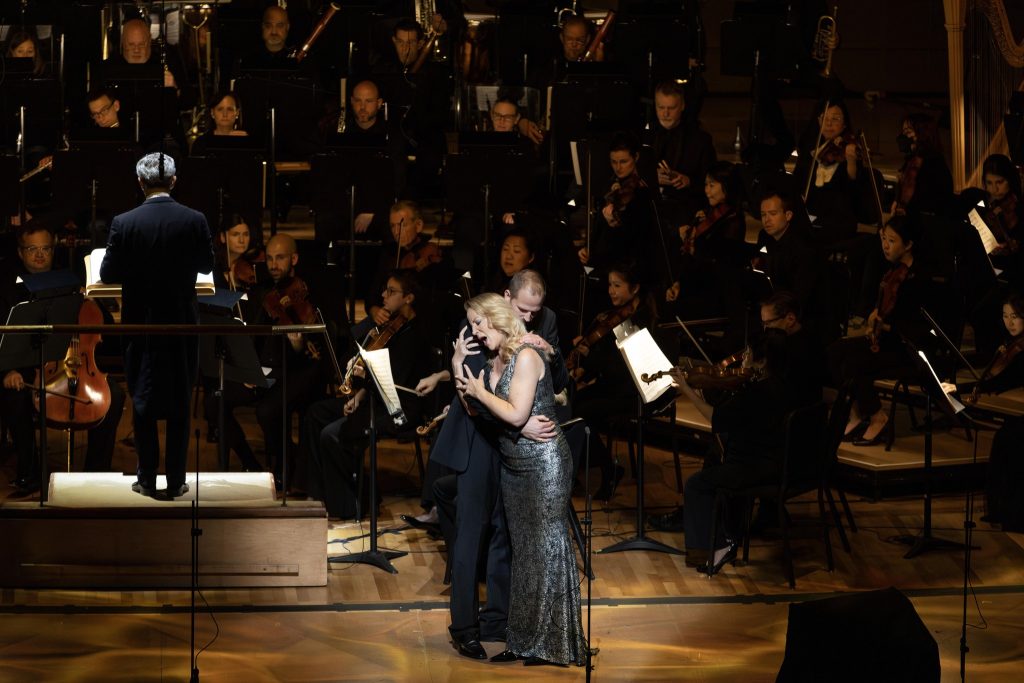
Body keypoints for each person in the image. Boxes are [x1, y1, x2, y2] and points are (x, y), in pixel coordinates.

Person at [453, 292, 586, 667]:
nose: (475, 332)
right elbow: (478, 409)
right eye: (472, 324)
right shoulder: (495, 357)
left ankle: (556, 643)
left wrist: (485, 396)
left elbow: (514, 414)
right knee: (525, 554)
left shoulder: (527, 355)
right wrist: (458, 364)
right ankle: (525, 640)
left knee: (547, 549)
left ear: (497, 316)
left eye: (479, 323)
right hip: (513, 466)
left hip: (543, 464)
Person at [100, 152, 214, 498]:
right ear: (174, 181)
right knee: (181, 396)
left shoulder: (124, 222)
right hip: (181, 323)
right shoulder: (195, 219)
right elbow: (207, 265)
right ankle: (176, 479)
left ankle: (147, 478)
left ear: (140, 182)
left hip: (142, 324)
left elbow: (107, 273)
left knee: (142, 397)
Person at [0, 222, 126, 493]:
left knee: (114, 396)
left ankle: (96, 472)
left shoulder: (69, 282)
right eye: (32, 249)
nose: (39, 255)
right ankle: (30, 471)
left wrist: (91, 300)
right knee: (14, 397)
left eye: (45, 248)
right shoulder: (7, 290)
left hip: (72, 363)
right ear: (20, 252)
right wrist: (7, 370)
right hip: (23, 367)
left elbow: (105, 326)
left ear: (53, 250)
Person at [674, 331, 801, 575]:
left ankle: (717, 547)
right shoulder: (787, 386)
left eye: (748, 354)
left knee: (696, 485)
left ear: (762, 362)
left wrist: (687, 390)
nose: (743, 359)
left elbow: (716, 419)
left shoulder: (755, 394)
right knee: (716, 459)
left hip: (755, 468)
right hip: (782, 463)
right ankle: (729, 531)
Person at [828, 215, 935, 446]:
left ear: (908, 244)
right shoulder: (892, 270)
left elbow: (915, 328)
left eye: (892, 241)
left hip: (907, 349)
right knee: (835, 351)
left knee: (855, 363)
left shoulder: (919, 279)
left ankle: (878, 417)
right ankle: (856, 413)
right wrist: (874, 318)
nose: (885, 245)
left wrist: (882, 324)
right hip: (886, 341)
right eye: (884, 239)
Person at [943, 293, 1024, 531]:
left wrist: (959, 387)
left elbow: (1002, 382)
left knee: (1011, 441)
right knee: (1004, 440)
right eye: (1005, 316)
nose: (1009, 322)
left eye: (1015, 316)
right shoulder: (1014, 345)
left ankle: (1014, 515)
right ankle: (1001, 510)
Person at [648, 80, 717, 221]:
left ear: (682, 106)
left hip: (685, 207)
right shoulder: (644, 136)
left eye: (671, 108)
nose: (665, 113)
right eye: (661, 107)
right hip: (649, 206)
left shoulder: (700, 140)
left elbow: (714, 180)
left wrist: (689, 181)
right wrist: (650, 177)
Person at [892, 113, 954, 218]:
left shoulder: (933, 164)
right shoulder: (912, 160)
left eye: (908, 132)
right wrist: (897, 201)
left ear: (923, 134)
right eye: (903, 132)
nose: (903, 137)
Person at [189, 91, 249, 156]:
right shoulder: (201, 143)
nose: (225, 114)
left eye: (230, 109)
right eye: (220, 109)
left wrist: (243, 142)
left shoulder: (246, 142)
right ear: (212, 113)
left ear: (237, 113)